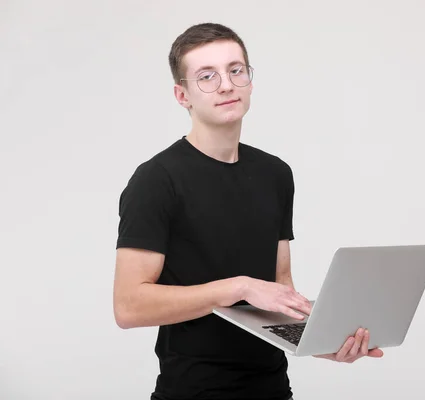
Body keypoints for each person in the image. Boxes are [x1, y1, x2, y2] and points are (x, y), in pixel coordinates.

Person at [112, 22, 384, 400]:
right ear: (182, 94)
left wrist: (326, 342)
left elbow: (279, 289)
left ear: (250, 81)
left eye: (235, 70)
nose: (226, 84)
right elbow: (128, 306)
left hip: (272, 390)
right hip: (193, 393)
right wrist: (238, 287)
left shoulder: (275, 173)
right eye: (207, 76)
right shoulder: (156, 180)